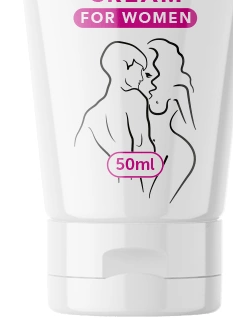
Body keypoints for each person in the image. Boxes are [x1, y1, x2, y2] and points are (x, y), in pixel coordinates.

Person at [140, 38, 196, 203]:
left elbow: (192, 130)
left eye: (149, 73)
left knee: (159, 199)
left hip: (175, 153)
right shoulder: (140, 93)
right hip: (148, 153)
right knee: (146, 198)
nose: (144, 76)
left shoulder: (178, 91)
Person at [75, 41, 155, 158]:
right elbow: (143, 146)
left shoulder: (92, 114)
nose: (142, 77)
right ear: (124, 67)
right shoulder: (135, 99)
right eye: (139, 70)